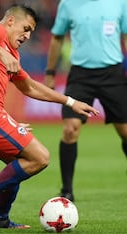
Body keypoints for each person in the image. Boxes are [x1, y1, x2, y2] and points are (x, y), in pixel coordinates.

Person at [0, 4, 99, 230]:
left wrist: (70, 101)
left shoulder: (12, 54)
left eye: (31, 31)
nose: (28, 35)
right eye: (26, 28)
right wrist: (0, 51)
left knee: (17, 164)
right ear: (11, 20)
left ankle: (2, 218)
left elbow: (30, 87)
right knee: (40, 157)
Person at [44, 0, 127, 202]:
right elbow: (57, 38)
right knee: (70, 129)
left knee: (125, 132)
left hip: (112, 74)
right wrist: (50, 72)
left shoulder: (120, 3)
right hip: (80, 76)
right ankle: (67, 190)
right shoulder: (68, 4)